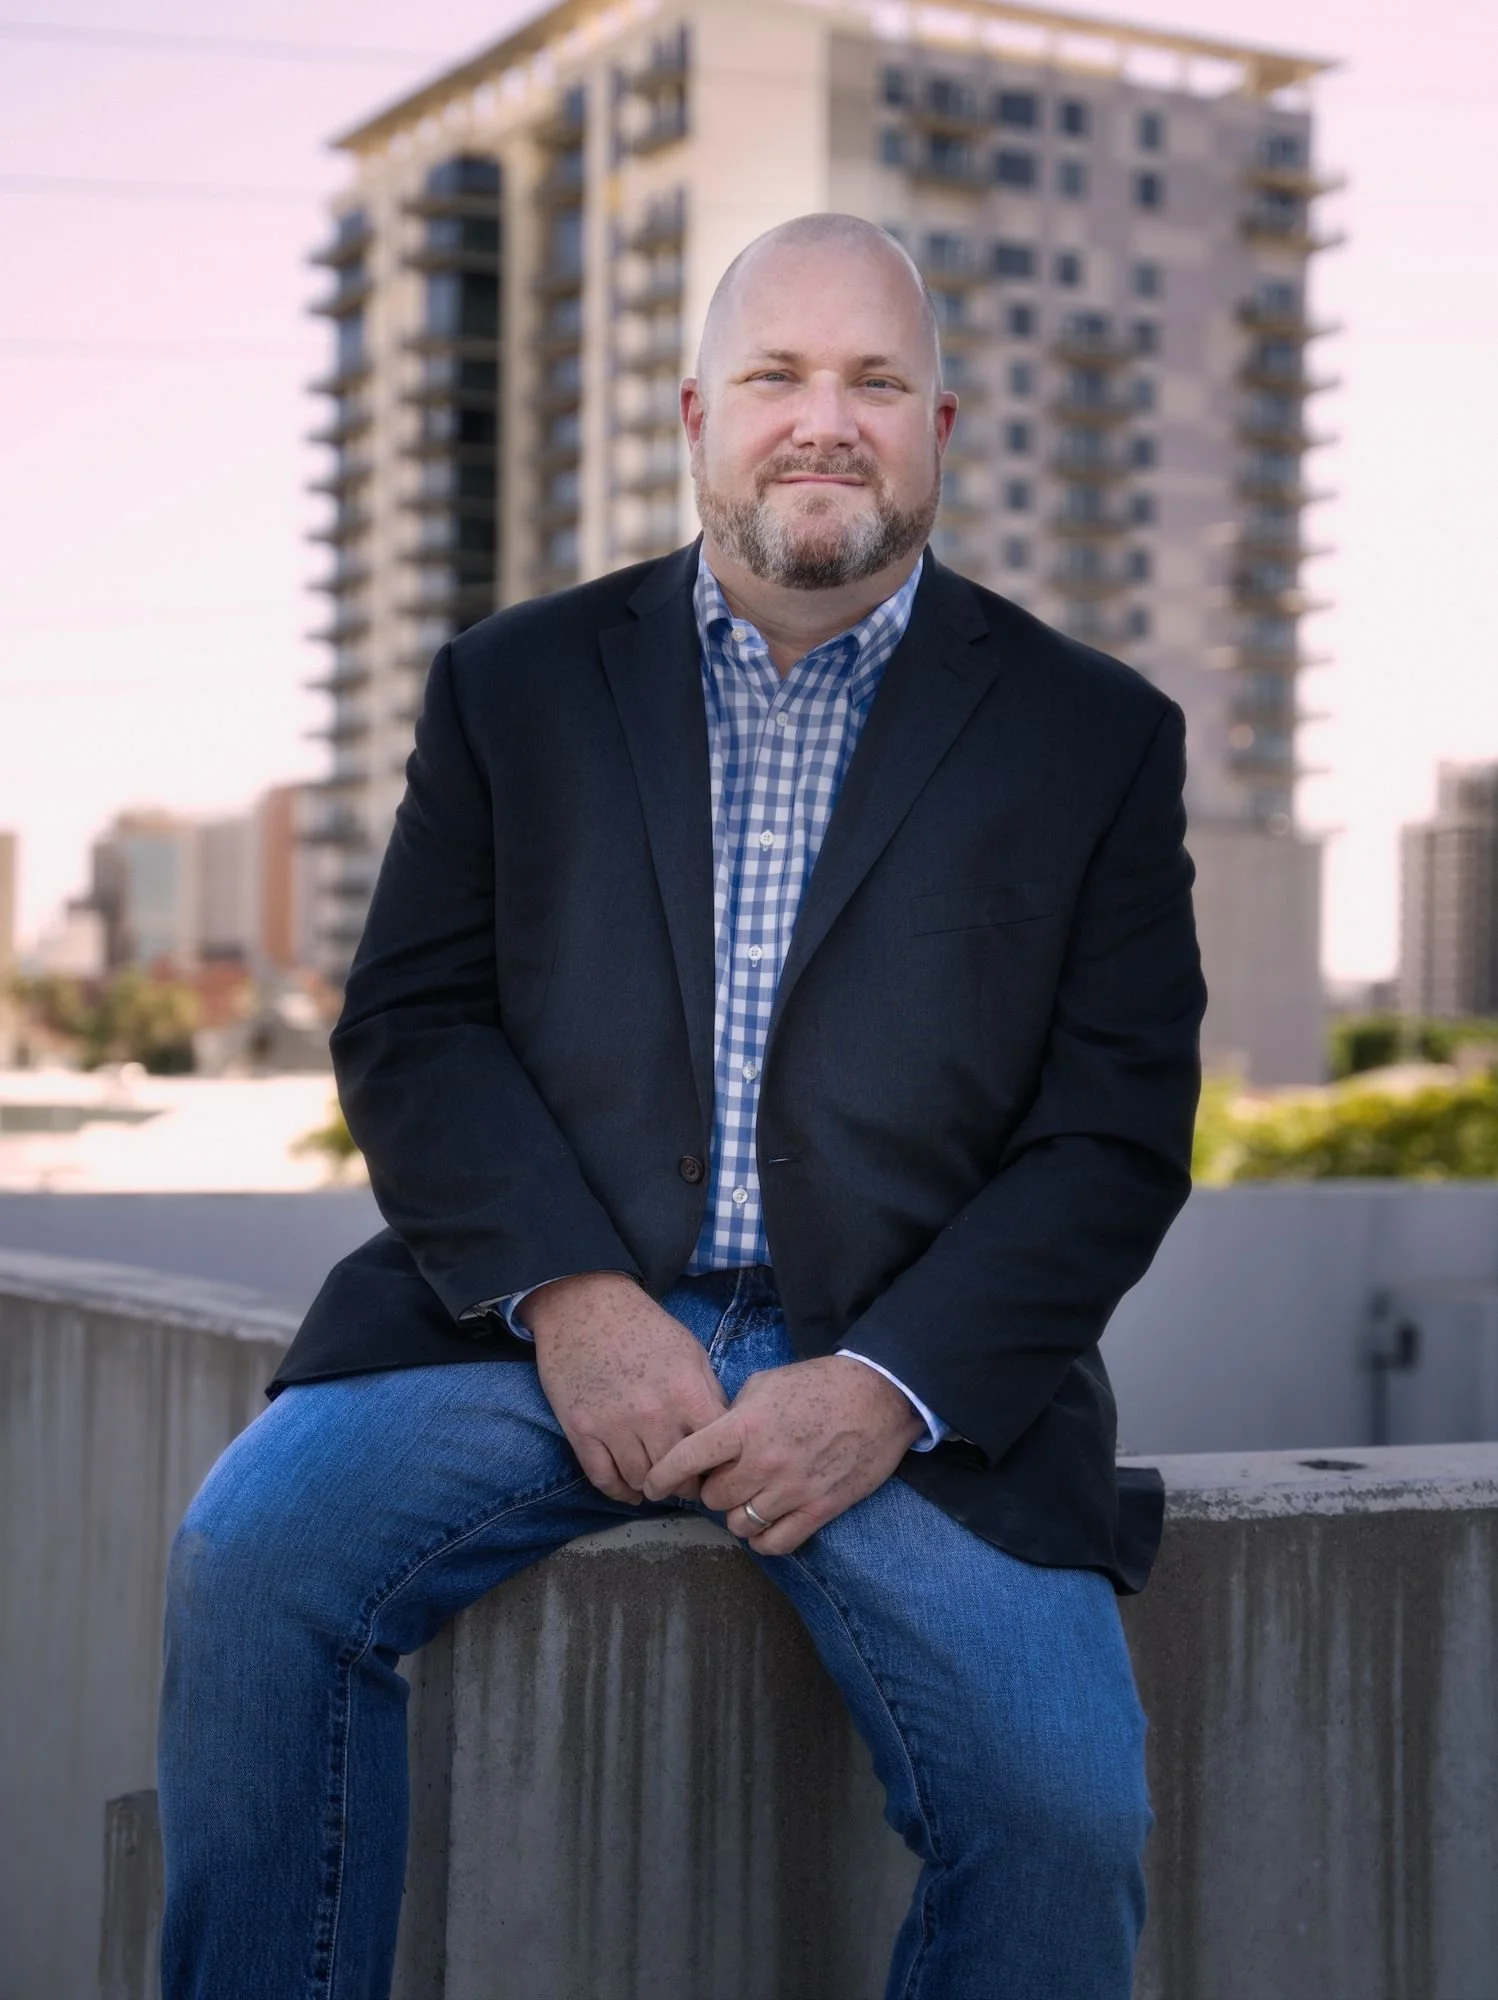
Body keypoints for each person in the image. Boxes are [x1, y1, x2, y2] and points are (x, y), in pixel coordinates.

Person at [157, 212, 1205, 1998]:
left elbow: (1111, 1132)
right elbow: (412, 1024)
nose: (825, 418)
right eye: (779, 375)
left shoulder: (1091, 731)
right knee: (250, 1567)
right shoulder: (512, 685)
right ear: (696, 412)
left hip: (908, 1371)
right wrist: (573, 1303)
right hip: (523, 1332)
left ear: (942, 425)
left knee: (1060, 1812)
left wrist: (885, 1388)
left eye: (875, 379)